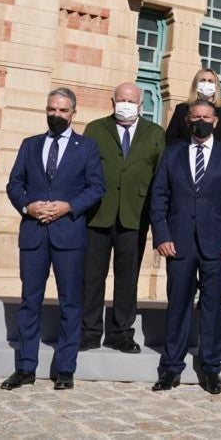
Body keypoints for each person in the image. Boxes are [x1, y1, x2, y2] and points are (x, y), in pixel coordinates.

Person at [2, 88, 106, 391]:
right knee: (29, 302)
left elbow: (96, 187)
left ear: (74, 112)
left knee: (71, 303)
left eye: (63, 111)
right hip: (33, 234)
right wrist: (28, 206)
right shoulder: (29, 145)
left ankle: (64, 368)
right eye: (52, 110)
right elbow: (14, 184)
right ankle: (25, 368)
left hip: (69, 234)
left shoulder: (86, 147)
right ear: (46, 110)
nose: (56, 115)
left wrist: (68, 206)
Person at [149, 100, 221, 395]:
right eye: (195, 117)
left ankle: (211, 369)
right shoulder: (172, 153)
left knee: (213, 308)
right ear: (187, 120)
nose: (200, 121)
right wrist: (162, 236)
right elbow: (158, 197)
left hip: (217, 245)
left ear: (215, 121)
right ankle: (170, 368)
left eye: (206, 117)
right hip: (177, 243)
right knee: (177, 305)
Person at [79, 82, 166, 354]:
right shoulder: (95, 129)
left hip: (135, 215)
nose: (126, 104)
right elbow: (84, 171)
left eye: (131, 100)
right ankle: (89, 331)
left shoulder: (155, 133)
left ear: (141, 105)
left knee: (128, 277)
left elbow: (160, 178)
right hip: (98, 215)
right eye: (121, 99)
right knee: (92, 276)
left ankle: (121, 333)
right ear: (112, 101)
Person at [164, 68, 221, 151]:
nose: (206, 83)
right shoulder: (182, 109)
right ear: (196, 84)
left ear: (216, 86)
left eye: (210, 81)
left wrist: (212, 145)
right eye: (202, 80)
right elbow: (170, 139)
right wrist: (191, 147)